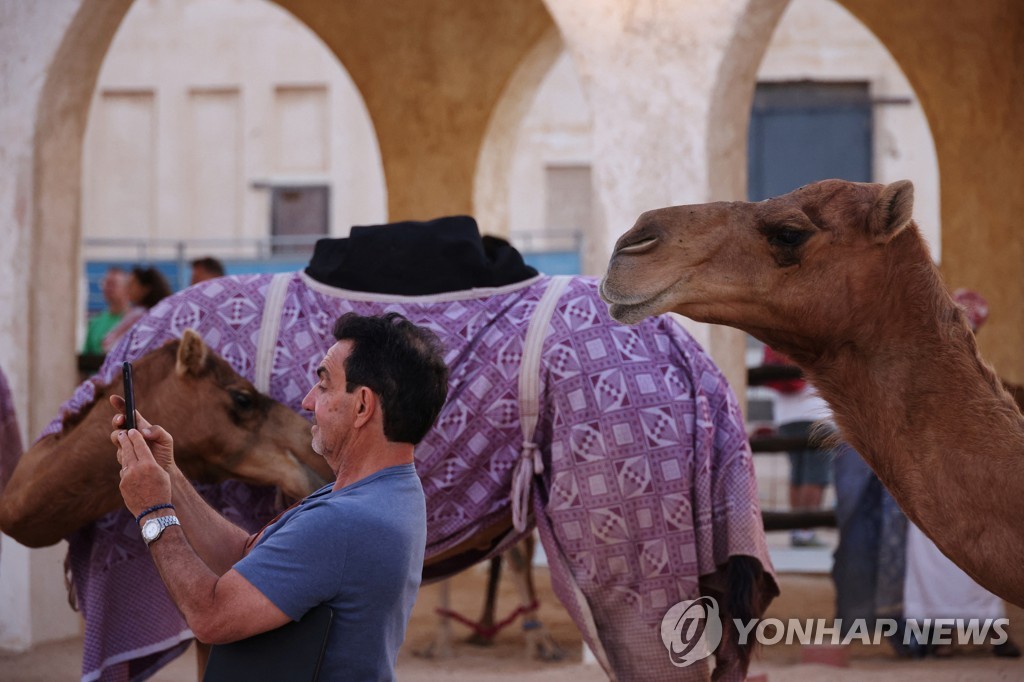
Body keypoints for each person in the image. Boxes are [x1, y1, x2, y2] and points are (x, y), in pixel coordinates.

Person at [110, 312, 449, 680]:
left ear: (363, 406)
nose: (307, 402)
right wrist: (169, 475)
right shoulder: (385, 491)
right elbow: (243, 557)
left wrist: (153, 510)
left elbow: (210, 617)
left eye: (323, 384)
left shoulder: (344, 522)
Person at [902, 289, 1020, 658]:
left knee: (981, 551)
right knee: (932, 555)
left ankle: (988, 632)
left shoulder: (976, 369)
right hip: (930, 472)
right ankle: (940, 635)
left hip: (971, 475)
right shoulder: (917, 366)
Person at [762, 345, 832, 547]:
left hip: (785, 416)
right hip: (816, 412)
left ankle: (796, 530)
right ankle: (806, 532)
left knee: (797, 474)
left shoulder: (773, 338)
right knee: (815, 476)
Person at [102, 266, 173, 352]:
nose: (127, 288)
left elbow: (109, 344)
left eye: (131, 284)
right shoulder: (159, 314)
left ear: (145, 289)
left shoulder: (138, 315)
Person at [82, 267, 130, 356]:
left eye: (113, 284)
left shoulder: (135, 320)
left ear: (127, 288)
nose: (108, 288)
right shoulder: (95, 322)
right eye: (106, 283)